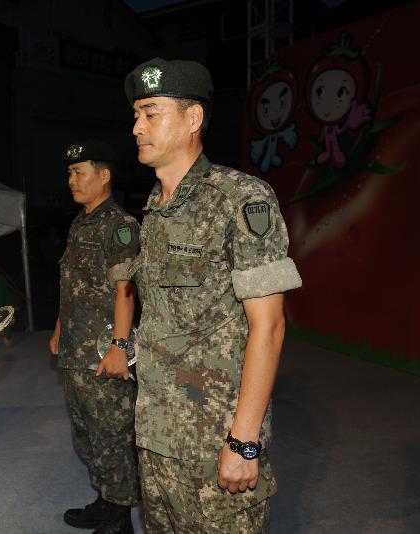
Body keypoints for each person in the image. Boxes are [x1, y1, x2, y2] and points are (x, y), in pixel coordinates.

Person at [112, 58, 302, 533]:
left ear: (193, 119)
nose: (137, 126)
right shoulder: (155, 208)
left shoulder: (241, 199)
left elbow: (270, 326)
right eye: (136, 114)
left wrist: (244, 441)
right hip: (157, 433)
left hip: (214, 435)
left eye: (151, 113)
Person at [48, 140, 141, 534]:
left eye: (79, 172)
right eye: (69, 173)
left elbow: (127, 290)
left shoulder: (119, 226)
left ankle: (119, 520)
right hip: (76, 349)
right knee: (87, 436)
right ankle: (105, 502)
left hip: (104, 352)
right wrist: (57, 329)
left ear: (104, 176)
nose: (72, 180)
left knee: (112, 438)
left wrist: (120, 348)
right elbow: (72, 284)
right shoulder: (80, 222)